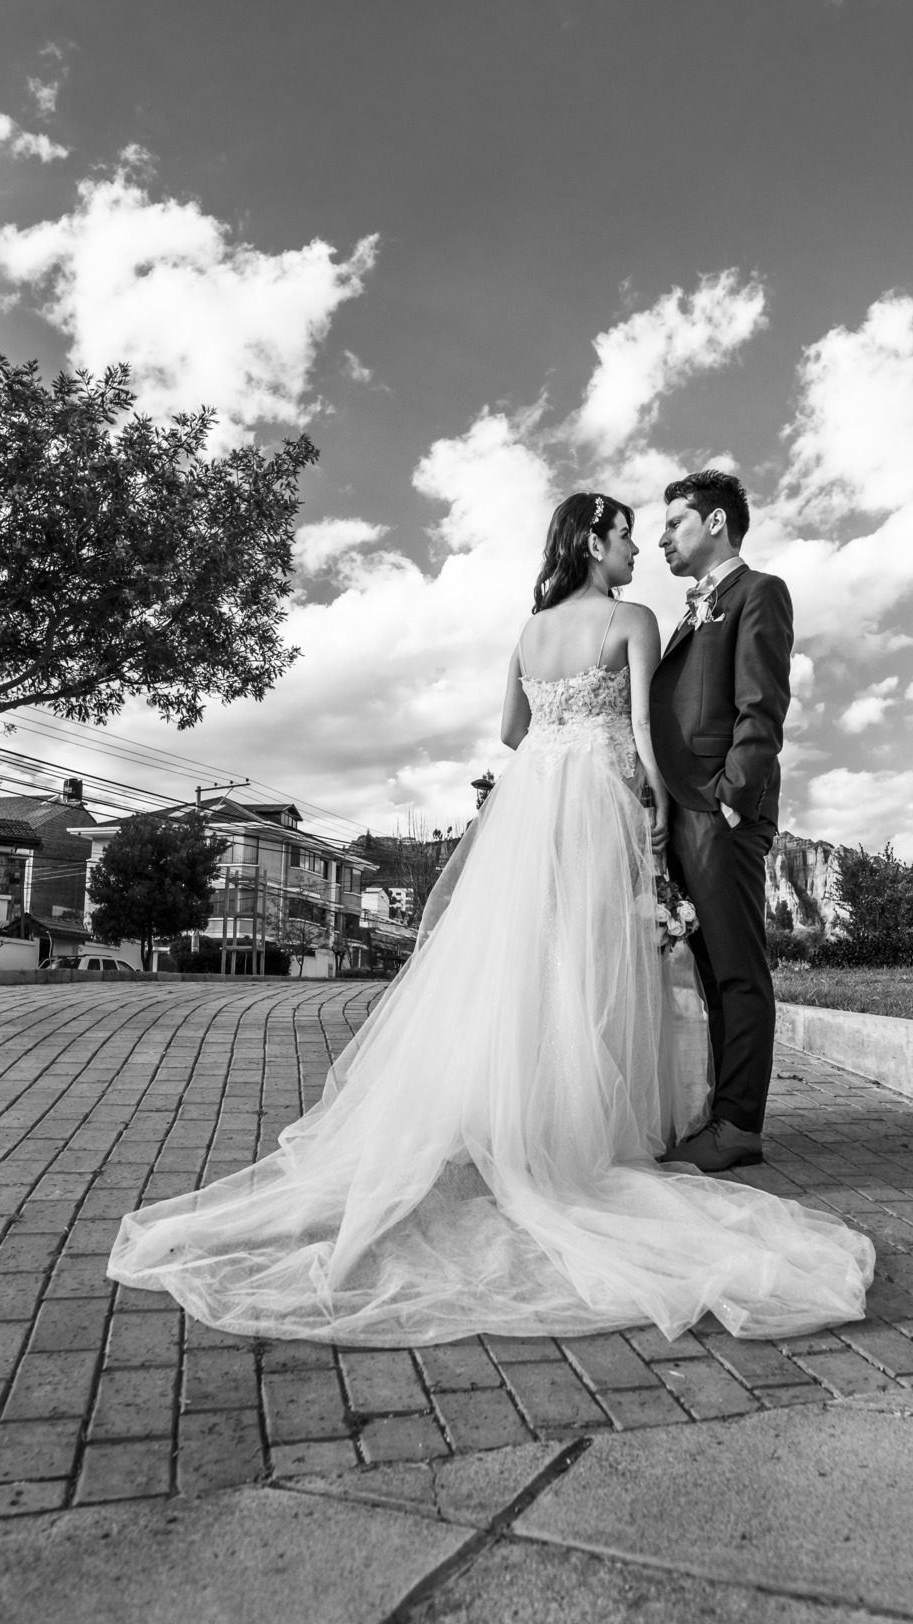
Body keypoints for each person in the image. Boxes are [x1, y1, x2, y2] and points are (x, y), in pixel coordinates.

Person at [107, 492, 872, 1346]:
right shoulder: (634, 618)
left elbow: (514, 730)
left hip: (535, 800)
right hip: (602, 804)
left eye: (659, 530)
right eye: (627, 535)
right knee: (591, 961)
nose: (642, 547)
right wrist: (646, 789)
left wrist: (573, 749)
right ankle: (597, 1127)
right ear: (594, 539)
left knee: (522, 959)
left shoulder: (531, 629)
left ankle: (522, 1116)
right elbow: (649, 739)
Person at [652, 471, 791, 1173]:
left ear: (714, 523)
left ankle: (739, 1126)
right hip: (685, 810)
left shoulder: (758, 592)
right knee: (709, 969)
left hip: (719, 809)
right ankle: (722, 1112)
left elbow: (760, 704)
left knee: (737, 969)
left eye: (674, 521)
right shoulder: (690, 609)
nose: (661, 537)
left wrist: (733, 795)